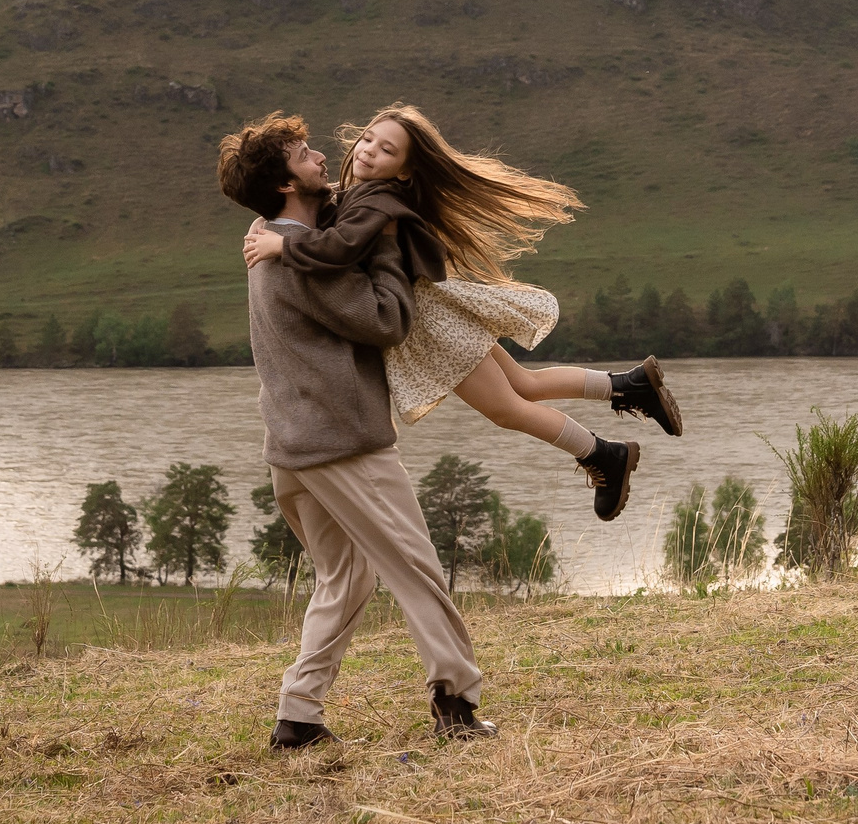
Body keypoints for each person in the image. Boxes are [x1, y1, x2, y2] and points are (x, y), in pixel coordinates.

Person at [243, 102, 682, 521]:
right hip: (436, 313)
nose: (369, 150)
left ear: (405, 168)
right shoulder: (364, 192)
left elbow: (339, 246)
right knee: (524, 385)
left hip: (427, 328)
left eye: (387, 149)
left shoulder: (375, 201)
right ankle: (628, 386)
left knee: (506, 409)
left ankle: (603, 454)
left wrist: (281, 243)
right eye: (368, 139)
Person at [218, 112, 497, 751]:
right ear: (287, 184)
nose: (322, 156)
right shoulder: (300, 260)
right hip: (341, 443)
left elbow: (334, 232)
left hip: (291, 448)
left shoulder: (269, 234)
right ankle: (456, 703)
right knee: (416, 569)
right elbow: (387, 319)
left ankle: (299, 717)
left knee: (346, 577)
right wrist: (391, 246)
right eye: (303, 153)